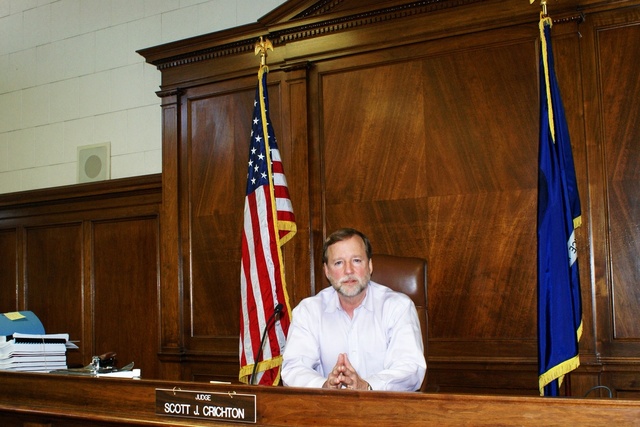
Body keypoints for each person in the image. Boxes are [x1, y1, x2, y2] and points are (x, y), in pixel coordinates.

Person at [281, 228, 426, 391]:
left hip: (385, 411)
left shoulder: (398, 307)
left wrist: (367, 386)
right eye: (338, 263)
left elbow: (410, 368)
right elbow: (293, 368)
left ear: (370, 266)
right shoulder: (308, 311)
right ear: (327, 272)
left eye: (356, 260)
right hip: (327, 411)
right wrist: (324, 386)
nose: (348, 270)